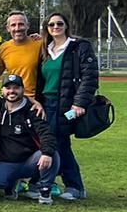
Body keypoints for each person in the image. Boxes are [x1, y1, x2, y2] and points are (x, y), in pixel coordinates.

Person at [40, 11, 99, 201]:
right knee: (51, 142)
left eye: (59, 24)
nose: (56, 27)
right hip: (46, 104)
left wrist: (79, 103)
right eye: (51, 25)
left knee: (59, 143)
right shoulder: (45, 49)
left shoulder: (78, 47)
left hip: (66, 105)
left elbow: (90, 76)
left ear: (66, 26)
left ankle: (74, 186)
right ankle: (51, 183)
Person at [0, 72, 58, 204]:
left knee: (52, 154)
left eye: (16, 88)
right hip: (6, 162)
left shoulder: (33, 110)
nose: (12, 91)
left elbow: (46, 133)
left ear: (23, 89)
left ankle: (44, 189)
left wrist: (47, 153)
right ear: (2, 90)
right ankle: (12, 184)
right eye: (8, 88)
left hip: (30, 161)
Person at [0, 11, 44, 98]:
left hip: (36, 98)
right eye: (13, 25)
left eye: (21, 24)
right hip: (14, 98)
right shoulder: (3, 48)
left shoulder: (39, 44)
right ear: (8, 28)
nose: (17, 28)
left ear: (28, 26)